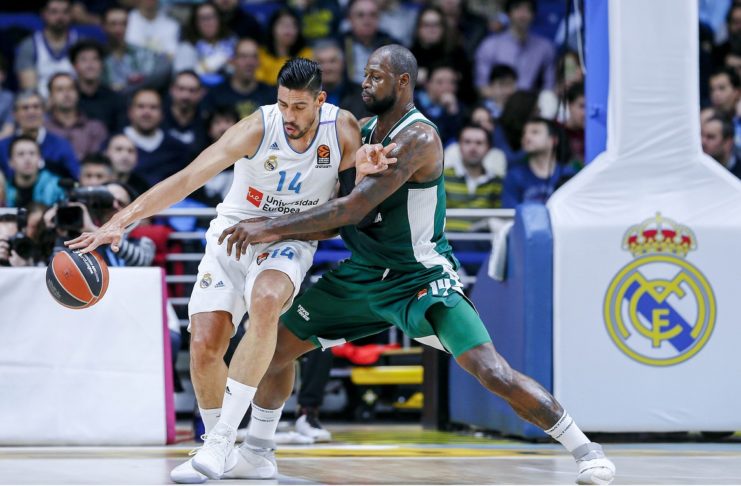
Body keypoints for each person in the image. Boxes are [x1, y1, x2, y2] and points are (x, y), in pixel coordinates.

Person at [193, 45, 615, 485]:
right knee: (273, 349)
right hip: (363, 274)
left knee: (492, 371)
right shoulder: (361, 132)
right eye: (365, 74)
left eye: (376, 76)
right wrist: (280, 218)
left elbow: (352, 209)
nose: (366, 83)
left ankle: (585, 449)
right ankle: (258, 453)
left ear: (403, 82)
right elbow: (332, 215)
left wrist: (269, 227)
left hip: (419, 277)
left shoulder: (419, 138)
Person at [65, 57, 393, 484]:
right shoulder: (257, 127)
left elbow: (345, 215)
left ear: (320, 101)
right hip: (233, 234)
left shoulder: (342, 129)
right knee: (205, 343)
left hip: (290, 239)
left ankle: (226, 442)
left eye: (299, 107)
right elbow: (187, 179)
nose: (289, 116)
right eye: (283, 104)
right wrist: (120, 221)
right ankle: (229, 448)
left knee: (267, 302)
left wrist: (280, 226)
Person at [44, 72, 109, 160]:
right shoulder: (44, 129)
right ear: (50, 97)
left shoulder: (95, 128)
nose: (66, 94)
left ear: (78, 94)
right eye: (60, 89)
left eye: (71, 88)